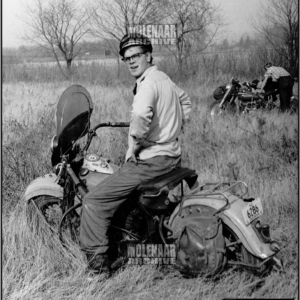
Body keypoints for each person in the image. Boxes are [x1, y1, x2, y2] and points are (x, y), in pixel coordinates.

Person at [79, 33, 192, 275]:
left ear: (149, 55)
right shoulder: (163, 78)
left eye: (136, 55)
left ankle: (98, 270)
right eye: (126, 58)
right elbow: (186, 102)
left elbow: (141, 115)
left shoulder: (148, 83)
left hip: (152, 161)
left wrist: (137, 141)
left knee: (93, 202)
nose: (131, 61)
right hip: (170, 155)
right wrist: (171, 128)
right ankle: (133, 244)